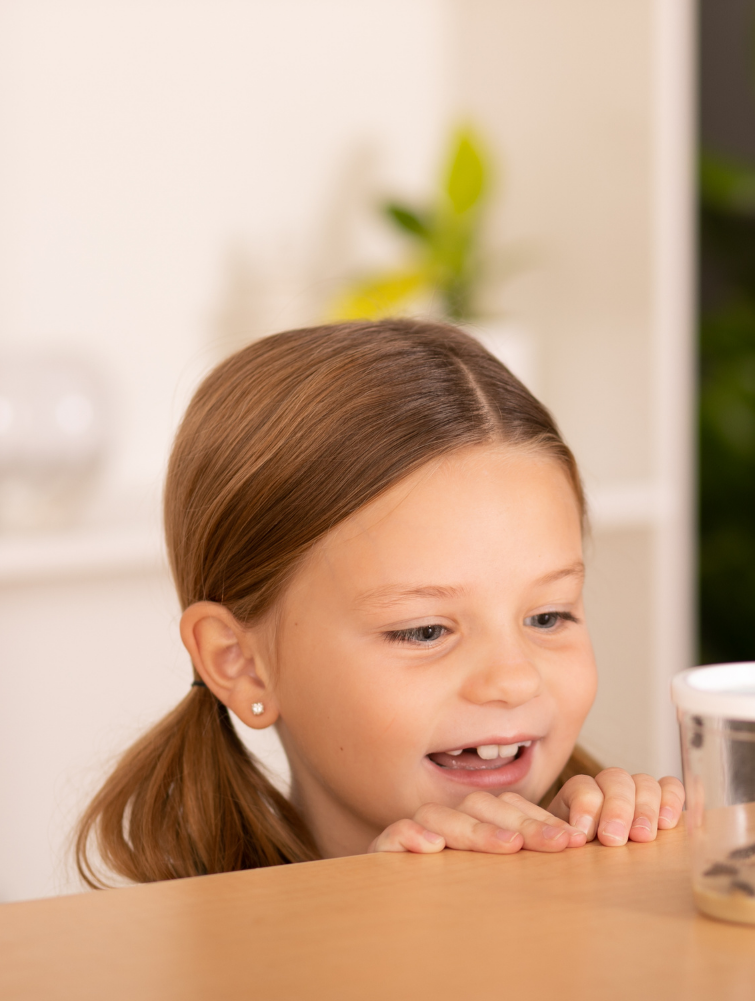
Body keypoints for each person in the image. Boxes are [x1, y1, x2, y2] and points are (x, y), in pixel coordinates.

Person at [76, 320, 684, 886]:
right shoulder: (192, 961)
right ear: (240, 661)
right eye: (424, 631)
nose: (514, 679)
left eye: (548, 616)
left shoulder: (609, 855)